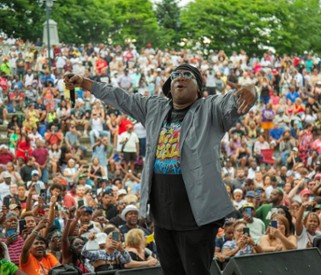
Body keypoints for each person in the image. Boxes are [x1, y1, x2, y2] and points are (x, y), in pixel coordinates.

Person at [65, 63, 256, 275]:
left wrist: (250, 89)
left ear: (199, 89)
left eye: (187, 75)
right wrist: (84, 83)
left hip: (197, 216)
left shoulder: (209, 109)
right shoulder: (154, 108)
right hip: (163, 212)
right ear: (169, 85)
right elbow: (120, 96)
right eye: (176, 75)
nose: (180, 78)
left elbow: (234, 99)